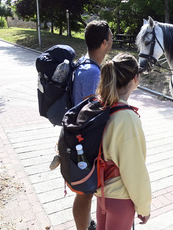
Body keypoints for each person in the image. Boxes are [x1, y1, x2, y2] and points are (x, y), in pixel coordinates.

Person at [49, 20, 113, 230]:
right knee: (85, 194)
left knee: (86, 192)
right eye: (111, 37)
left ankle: (87, 224)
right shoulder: (93, 72)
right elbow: (89, 111)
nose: (112, 40)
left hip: (75, 136)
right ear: (104, 42)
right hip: (82, 140)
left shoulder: (85, 63)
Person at [95, 53, 151, 230]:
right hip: (120, 198)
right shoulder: (126, 117)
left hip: (101, 194)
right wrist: (143, 206)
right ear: (135, 78)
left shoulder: (102, 107)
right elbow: (134, 169)